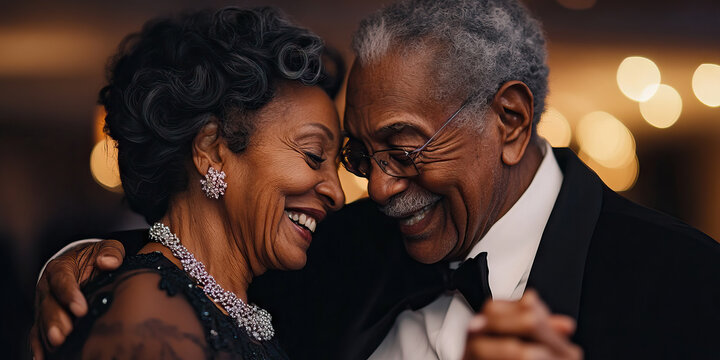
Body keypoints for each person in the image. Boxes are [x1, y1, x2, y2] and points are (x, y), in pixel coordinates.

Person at [32, 1, 720, 359]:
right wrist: (88, 273)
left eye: (405, 149)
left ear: (510, 120)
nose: (379, 192)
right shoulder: (333, 255)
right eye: (360, 157)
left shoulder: (687, 287)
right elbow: (190, 272)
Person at [34, 6, 346, 359]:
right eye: (314, 155)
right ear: (211, 149)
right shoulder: (148, 314)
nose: (336, 193)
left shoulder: (241, 304)